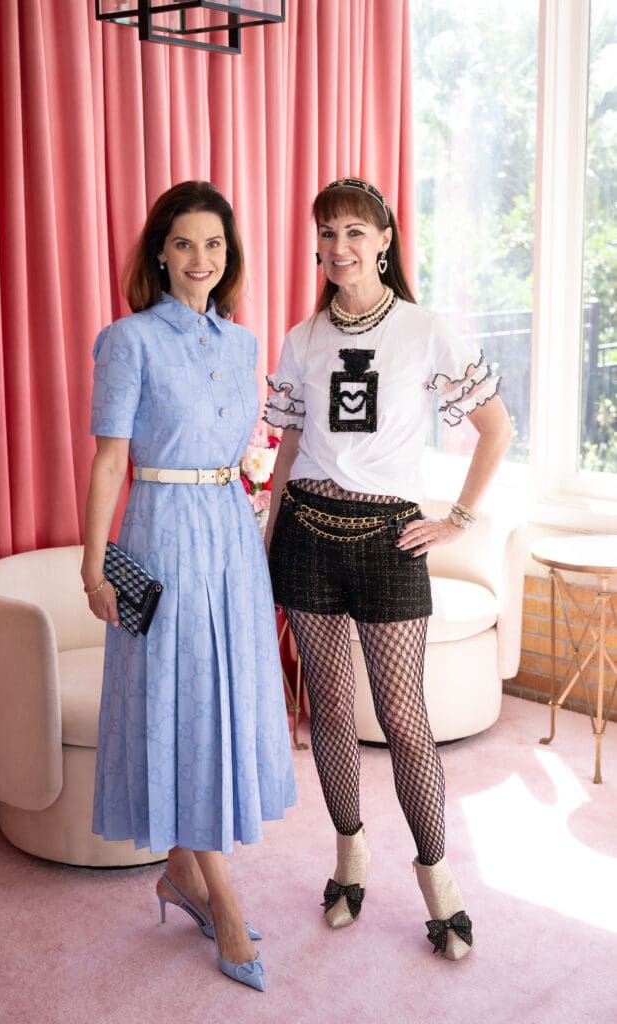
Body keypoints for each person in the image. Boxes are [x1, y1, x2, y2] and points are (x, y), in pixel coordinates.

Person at [263, 177, 512, 960]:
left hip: (389, 542)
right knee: (329, 710)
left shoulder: (424, 330)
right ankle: (348, 857)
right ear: (317, 246)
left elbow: (495, 427)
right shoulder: (301, 339)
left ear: (383, 240)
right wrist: (267, 530)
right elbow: (291, 447)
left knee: (405, 721)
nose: (340, 247)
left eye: (354, 232)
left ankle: (437, 882)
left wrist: (456, 520)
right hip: (305, 531)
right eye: (327, 233)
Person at [81, 180, 296, 992]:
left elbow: (250, 447)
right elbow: (109, 460)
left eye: (213, 244)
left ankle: (181, 874)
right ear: (159, 254)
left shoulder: (243, 346)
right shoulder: (127, 341)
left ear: (226, 256)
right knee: (179, 702)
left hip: (229, 530)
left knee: (219, 700)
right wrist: (93, 557)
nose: (199, 259)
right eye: (183, 244)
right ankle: (226, 905)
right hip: (159, 532)